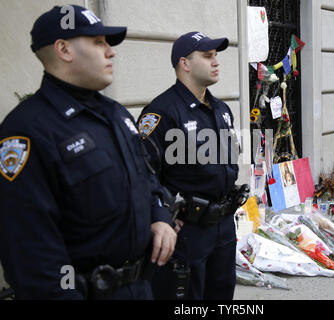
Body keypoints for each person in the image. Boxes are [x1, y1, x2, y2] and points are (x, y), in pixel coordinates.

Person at [0, 5, 176, 300]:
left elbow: (146, 178)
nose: (111, 52)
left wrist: (159, 216)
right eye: (98, 42)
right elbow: (30, 254)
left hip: (140, 286)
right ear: (64, 49)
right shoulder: (27, 131)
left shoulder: (116, 114)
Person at [137, 32, 247, 300]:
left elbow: (227, 164)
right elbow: (143, 175)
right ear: (185, 63)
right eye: (207, 56)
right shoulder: (161, 112)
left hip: (223, 227)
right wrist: (159, 216)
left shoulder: (221, 110)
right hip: (188, 231)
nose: (216, 61)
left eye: (216, 56)